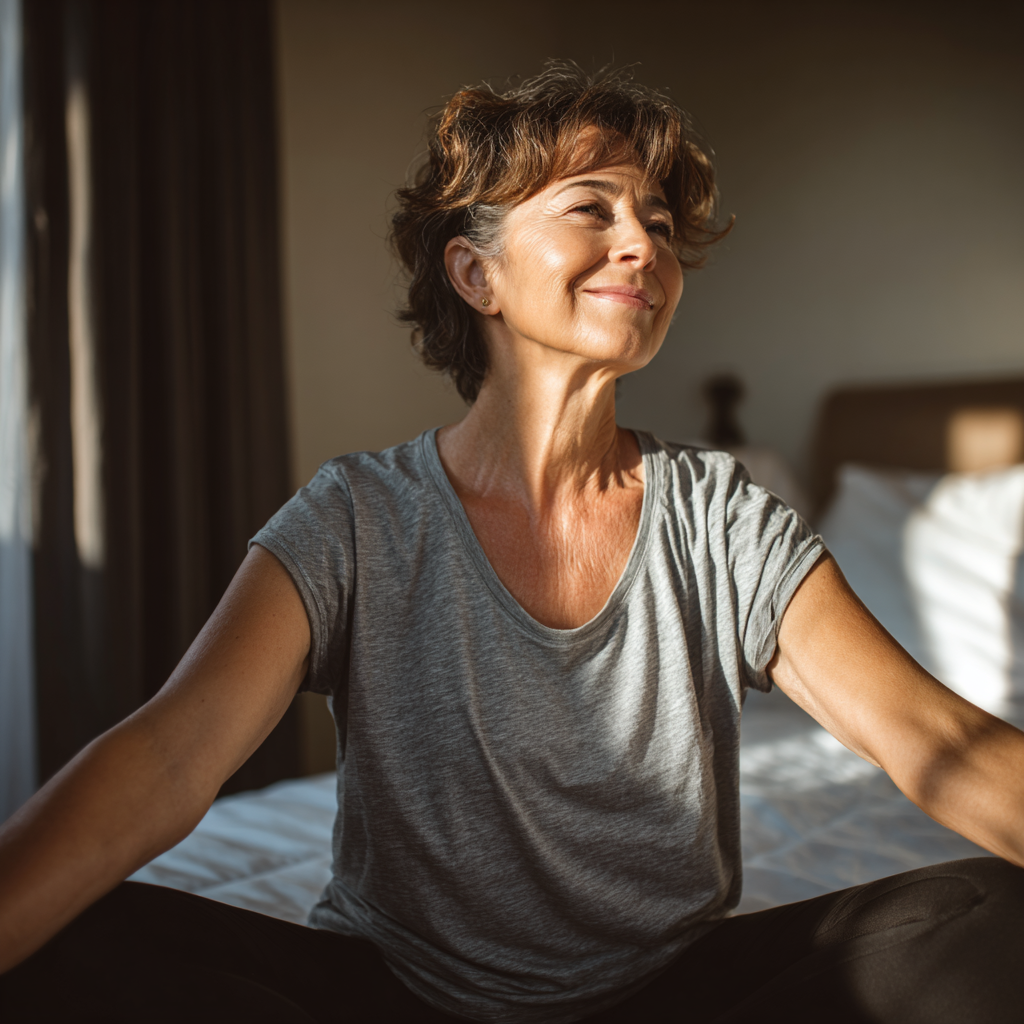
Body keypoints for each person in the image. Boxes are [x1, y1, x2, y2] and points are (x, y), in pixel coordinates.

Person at [1, 63, 1022, 1024]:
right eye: (593, 207)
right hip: (396, 992)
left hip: (661, 993)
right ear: (476, 273)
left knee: (986, 917)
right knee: (67, 926)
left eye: (658, 224)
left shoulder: (719, 516)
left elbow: (934, 743)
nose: (645, 247)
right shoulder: (355, 516)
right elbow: (173, 754)